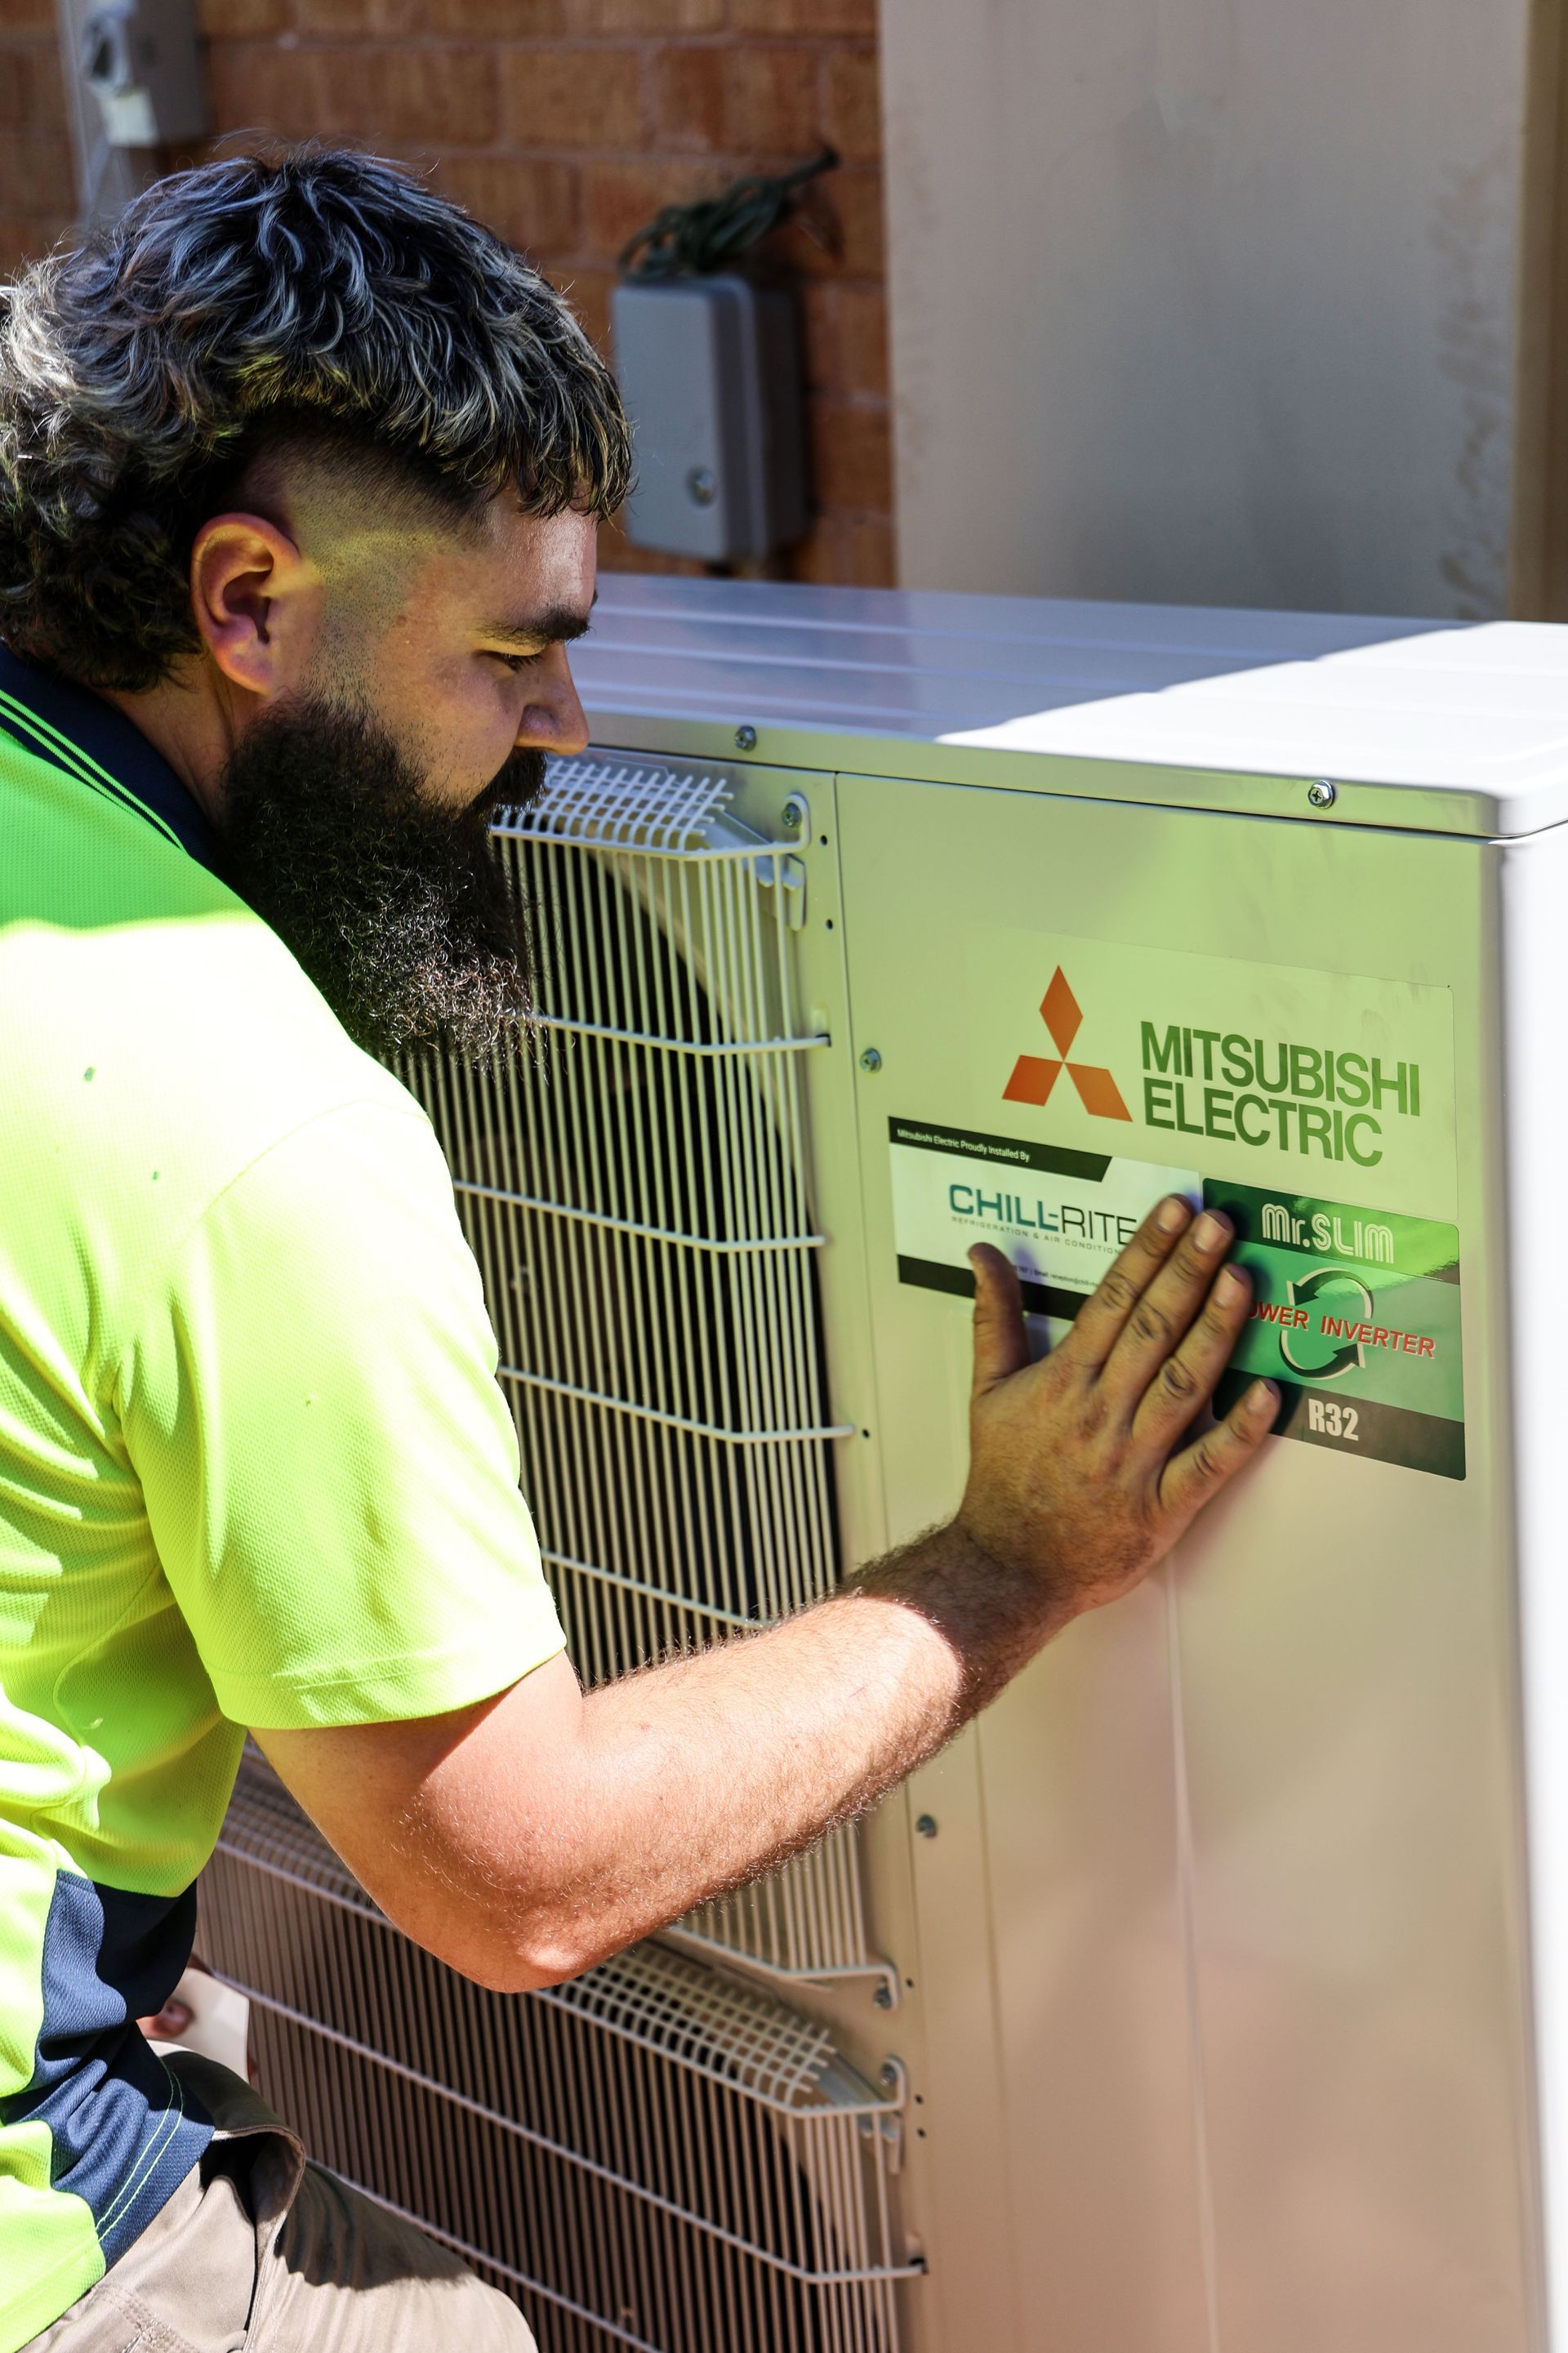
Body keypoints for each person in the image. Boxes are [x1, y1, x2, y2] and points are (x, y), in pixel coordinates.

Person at [0, 148, 1277, 2351]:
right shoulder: (239, 1107)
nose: (564, 731)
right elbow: (527, 1873)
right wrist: (1011, 1557)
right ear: (244, 601)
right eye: (512, 655)